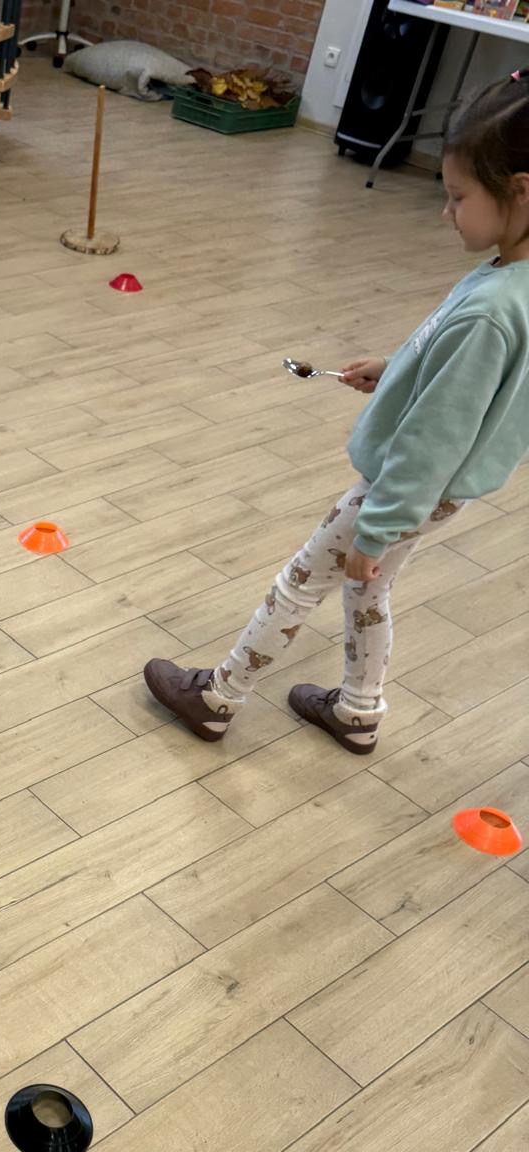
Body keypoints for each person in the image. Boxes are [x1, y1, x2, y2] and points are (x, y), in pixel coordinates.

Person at [144, 71, 529, 752]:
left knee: (300, 583)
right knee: (366, 592)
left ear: (521, 191)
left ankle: (217, 697)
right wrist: (396, 370)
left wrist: (377, 527)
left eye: (458, 197)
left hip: (402, 489)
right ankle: (357, 710)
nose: (447, 213)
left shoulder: (494, 310)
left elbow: (437, 434)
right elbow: (465, 386)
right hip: (434, 493)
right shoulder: (513, 275)